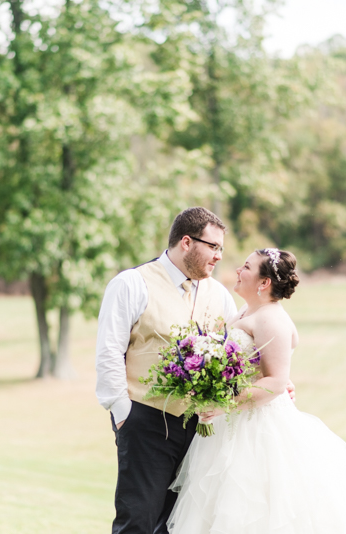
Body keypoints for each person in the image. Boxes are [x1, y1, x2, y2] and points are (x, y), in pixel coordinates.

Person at [166, 248, 346, 534]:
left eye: (246, 267)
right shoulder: (247, 312)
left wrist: (223, 405)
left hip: (259, 431)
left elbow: (274, 382)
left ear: (264, 283)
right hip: (231, 425)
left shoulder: (271, 319)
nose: (237, 270)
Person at [95, 207, 238, 534]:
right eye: (212, 246)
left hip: (200, 431)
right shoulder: (132, 283)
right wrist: (122, 413)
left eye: (221, 249)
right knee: (138, 521)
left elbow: (237, 354)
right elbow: (108, 351)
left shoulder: (220, 295)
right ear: (186, 242)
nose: (218, 257)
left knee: (181, 525)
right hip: (144, 420)